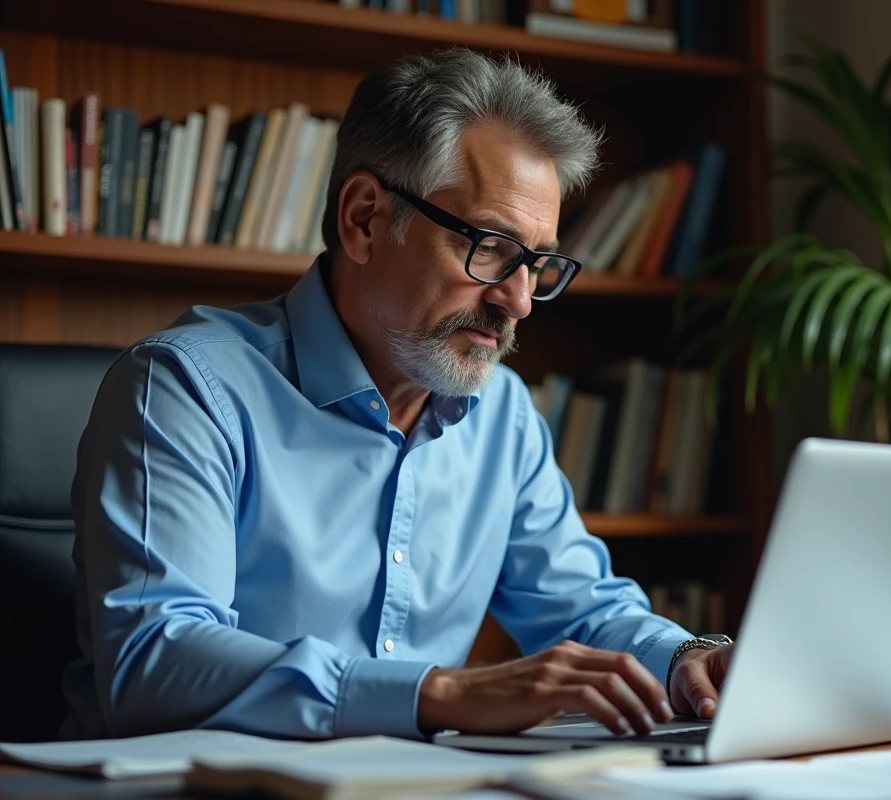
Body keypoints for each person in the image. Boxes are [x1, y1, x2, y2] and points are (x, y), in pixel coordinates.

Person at [61, 48, 735, 743]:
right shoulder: (185, 389)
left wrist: (688, 659)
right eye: (492, 247)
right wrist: (437, 693)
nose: (519, 301)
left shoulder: (503, 414)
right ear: (364, 219)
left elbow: (583, 610)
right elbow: (151, 660)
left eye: (537, 265)